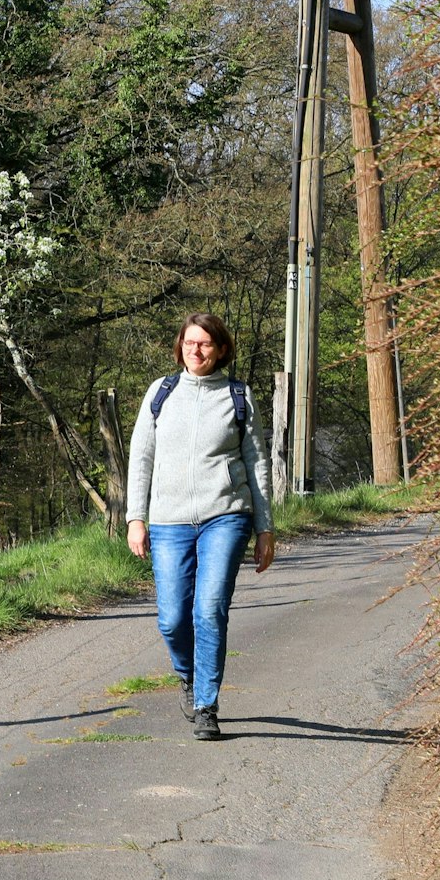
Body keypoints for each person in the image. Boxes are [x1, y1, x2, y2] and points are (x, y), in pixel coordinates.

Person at [125, 313, 276, 740]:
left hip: (226, 515)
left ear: (221, 350)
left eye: (205, 344)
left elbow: (257, 463)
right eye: (189, 343)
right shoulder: (161, 393)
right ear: (180, 347)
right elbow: (141, 460)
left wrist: (265, 529)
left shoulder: (238, 396)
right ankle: (188, 676)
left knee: (209, 609)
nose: (196, 350)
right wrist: (137, 518)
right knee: (173, 619)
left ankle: (206, 704)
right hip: (169, 520)